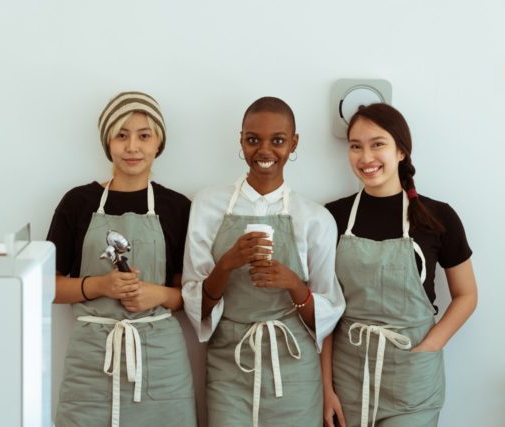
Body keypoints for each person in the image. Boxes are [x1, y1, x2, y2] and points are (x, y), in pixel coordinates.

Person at [182, 96, 345, 427]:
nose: (265, 151)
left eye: (278, 140)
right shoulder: (208, 205)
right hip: (230, 366)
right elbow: (196, 306)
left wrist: (294, 285)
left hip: (295, 369)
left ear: (294, 142)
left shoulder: (315, 218)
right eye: (253, 140)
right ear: (241, 140)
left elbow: (327, 313)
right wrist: (226, 264)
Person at [321, 103, 478, 427]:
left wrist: (431, 346)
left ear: (401, 151)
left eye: (377, 144)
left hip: (412, 381)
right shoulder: (332, 217)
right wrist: (325, 388)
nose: (366, 158)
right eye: (356, 146)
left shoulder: (438, 217)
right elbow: (325, 309)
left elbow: (466, 294)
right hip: (347, 376)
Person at [47, 91, 196, 427]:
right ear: (107, 142)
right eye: (121, 135)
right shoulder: (77, 202)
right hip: (91, 362)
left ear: (158, 142)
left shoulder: (177, 208)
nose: (132, 147)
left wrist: (156, 295)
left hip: (160, 362)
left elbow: (194, 293)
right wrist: (101, 285)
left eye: (144, 135)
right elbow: (48, 287)